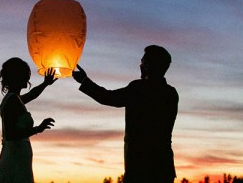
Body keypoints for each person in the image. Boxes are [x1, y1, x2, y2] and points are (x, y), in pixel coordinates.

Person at [72, 45, 179, 183]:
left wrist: (84, 81)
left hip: (139, 167)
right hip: (163, 167)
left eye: (143, 61)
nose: (140, 65)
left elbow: (108, 97)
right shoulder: (171, 93)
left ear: (149, 65)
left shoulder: (139, 89)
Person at [0, 57, 57, 183]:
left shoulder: (15, 99)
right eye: (26, 74)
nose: (28, 78)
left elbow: (32, 94)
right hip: (14, 157)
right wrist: (38, 128)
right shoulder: (12, 100)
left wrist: (45, 83)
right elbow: (11, 135)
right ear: (16, 76)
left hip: (18, 156)